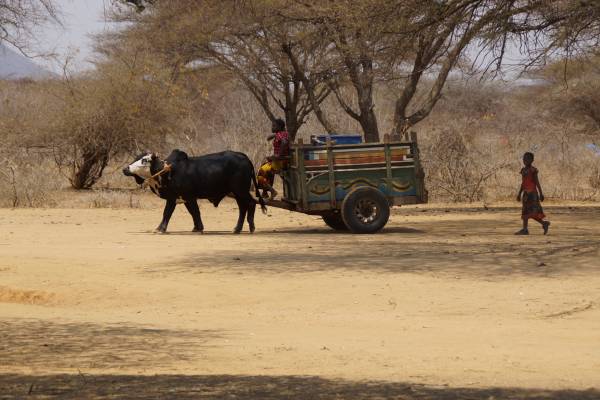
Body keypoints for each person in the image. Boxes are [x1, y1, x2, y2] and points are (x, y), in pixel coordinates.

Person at [516, 152, 550, 235]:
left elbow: (537, 182)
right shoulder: (523, 170)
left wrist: (541, 194)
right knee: (525, 212)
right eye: (524, 158)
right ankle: (525, 229)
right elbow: (523, 183)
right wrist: (519, 193)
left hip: (533, 194)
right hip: (526, 194)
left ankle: (543, 224)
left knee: (534, 213)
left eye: (527, 159)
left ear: (532, 160)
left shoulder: (533, 170)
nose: (525, 160)